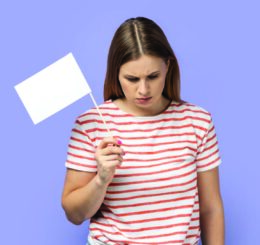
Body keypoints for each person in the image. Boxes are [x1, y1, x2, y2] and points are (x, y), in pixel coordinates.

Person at [61, 17, 225, 245]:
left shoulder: (198, 121)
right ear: (116, 73)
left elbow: (211, 208)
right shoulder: (91, 124)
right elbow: (74, 214)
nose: (143, 89)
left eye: (152, 76)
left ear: (168, 66)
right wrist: (101, 179)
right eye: (132, 79)